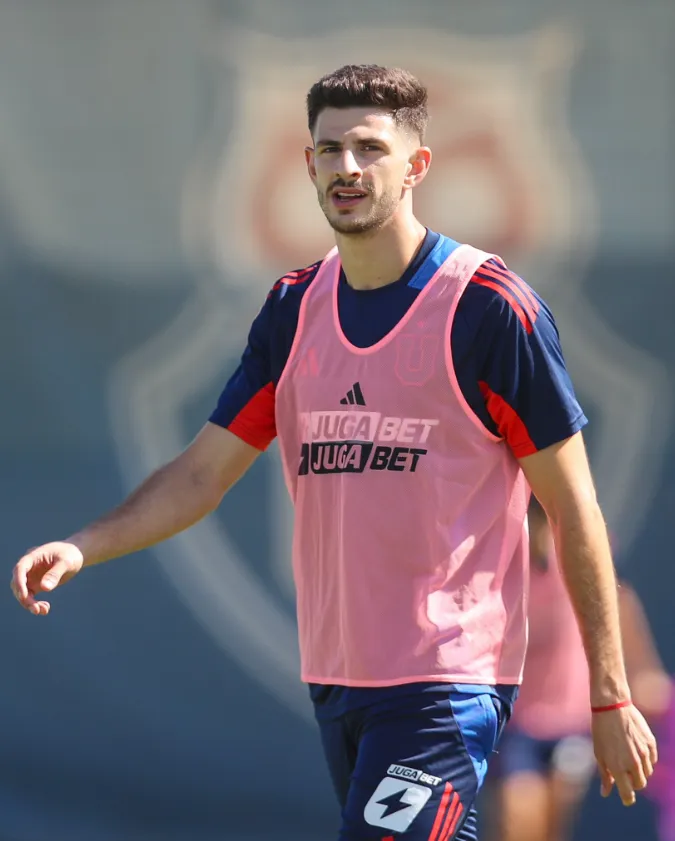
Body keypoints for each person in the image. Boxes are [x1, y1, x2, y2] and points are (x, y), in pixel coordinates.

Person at [10, 65, 657, 841]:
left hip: (445, 685)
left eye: (368, 148)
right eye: (328, 150)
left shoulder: (487, 307)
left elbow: (573, 505)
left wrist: (609, 695)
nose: (347, 167)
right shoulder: (292, 310)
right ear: (306, 164)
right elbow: (198, 474)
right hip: (337, 681)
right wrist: (81, 546)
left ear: (416, 164)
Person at [488, 498, 671, 841]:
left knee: (553, 825)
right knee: (517, 821)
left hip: (573, 722)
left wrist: (642, 672)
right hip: (518, 721)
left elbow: (618, 605)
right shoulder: (502, 562)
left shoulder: (585, 554)